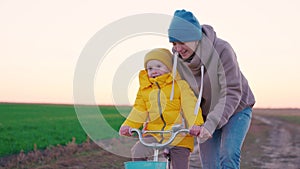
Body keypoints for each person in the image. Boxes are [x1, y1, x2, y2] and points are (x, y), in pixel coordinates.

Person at [167, 9, 256, 169]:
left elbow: (232, 91)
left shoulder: (222, 50)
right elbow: (177, 96)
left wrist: (211, 124)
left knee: (228, 155)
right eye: (174, 43)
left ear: (194, 37)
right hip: (206, 115)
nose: (178, 48)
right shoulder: (176, 61)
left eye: (182, 42)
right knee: (209, 165)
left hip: (237, 109)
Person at [119, 48, 204, 169]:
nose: (154, 71)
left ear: (169, 67)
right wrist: (129, 125)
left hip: (178, 134)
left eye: (158, 66)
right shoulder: (145, 89)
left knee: (179, 163)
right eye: (150, 68)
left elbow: (190, 106)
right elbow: (139, 110)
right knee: (137, 151)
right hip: (154, 133)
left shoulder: (180, 86)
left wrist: (195, 124)